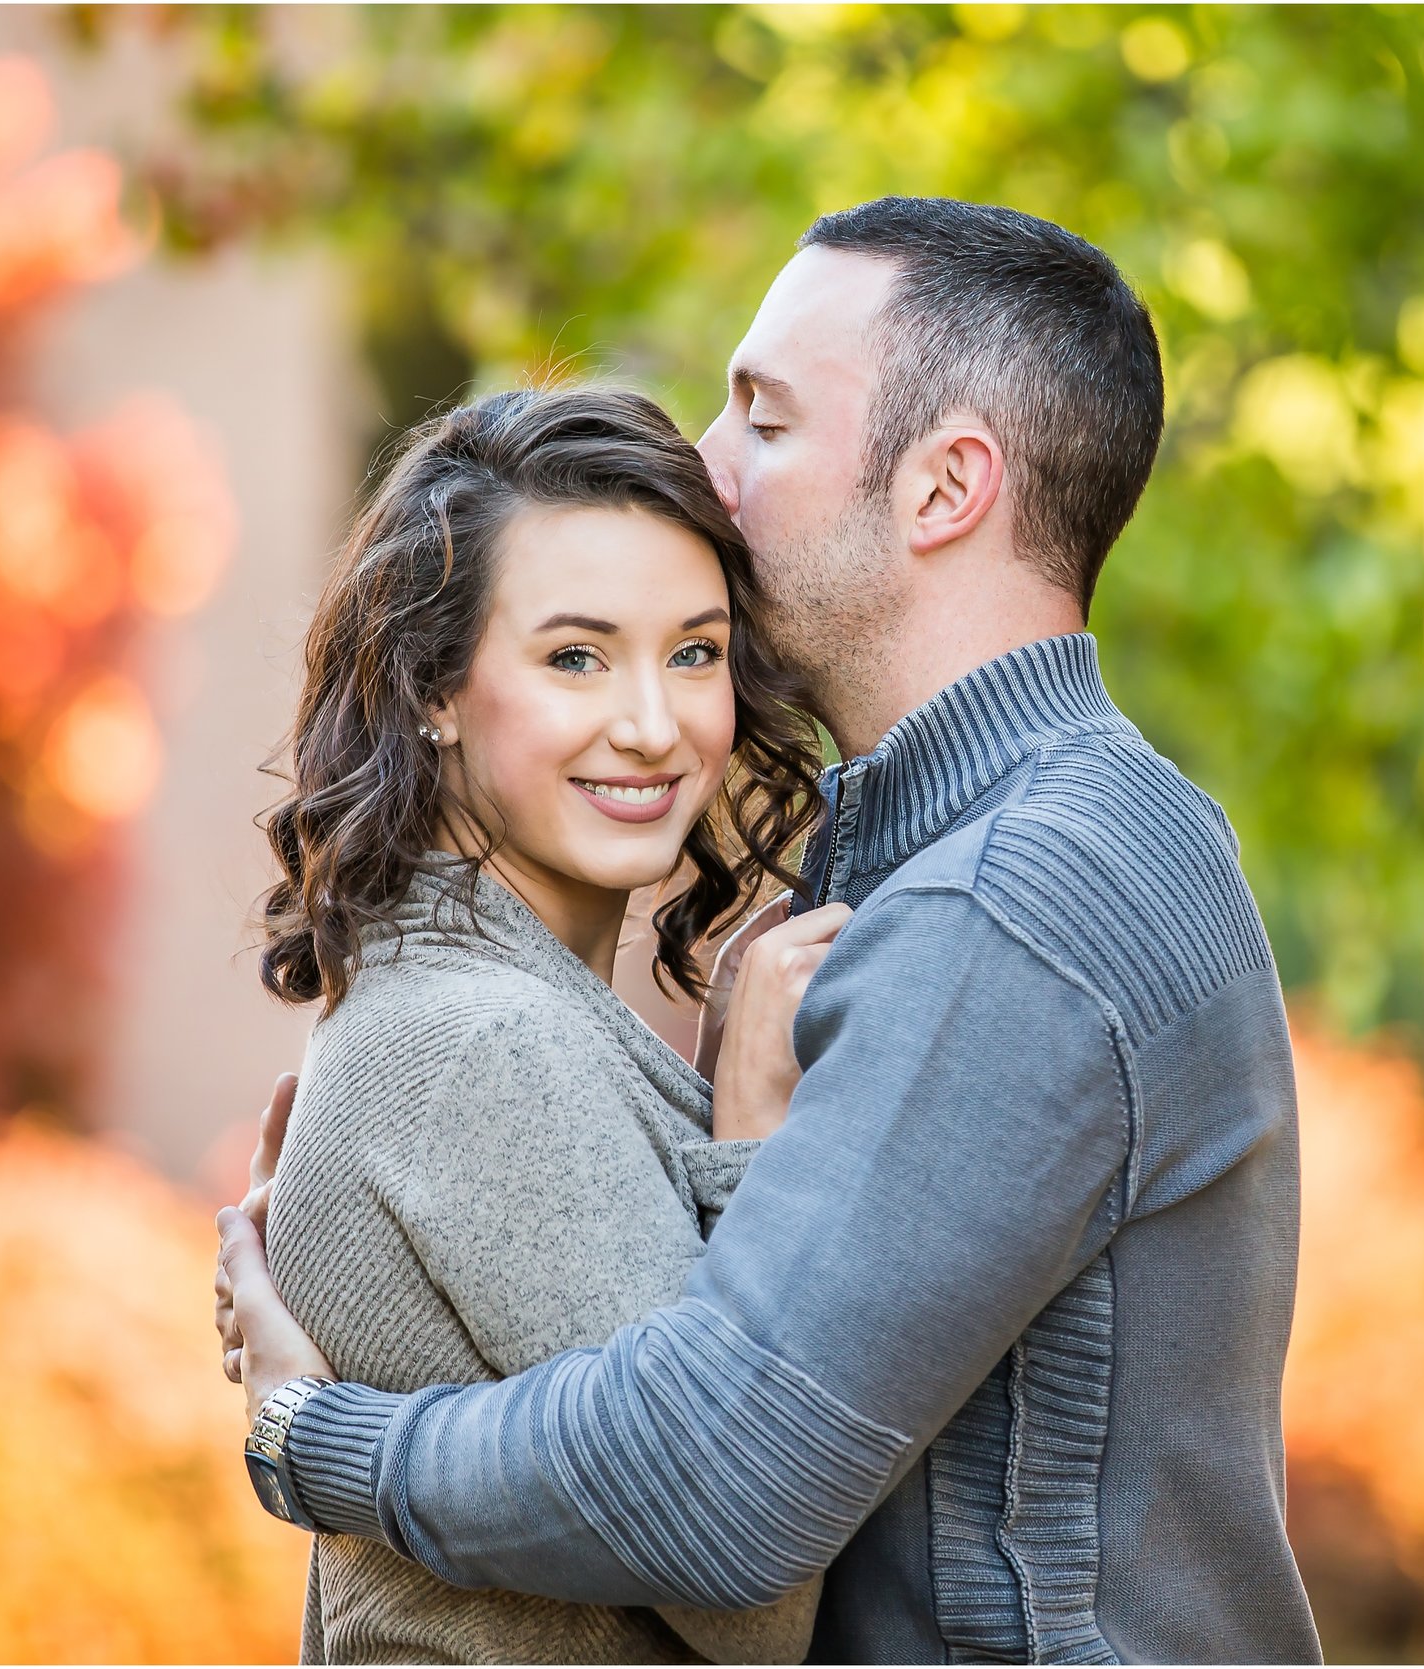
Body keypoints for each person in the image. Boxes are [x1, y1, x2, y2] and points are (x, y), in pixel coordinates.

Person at [218, 197, 1324, 1664]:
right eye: (572, 654)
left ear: (944, 490)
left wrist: (318, 1440)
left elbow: (719, 1484)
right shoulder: (1089, 832)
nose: (708, 469)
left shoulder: (1005, 898)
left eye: (764, 419)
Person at [249, 383, 847, 1662]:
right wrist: (750, 1144)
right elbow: (749, 1587)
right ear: (432, 688)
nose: (651, 724)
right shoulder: (479, 1044)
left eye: (695, 651)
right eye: (575, 655)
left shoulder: (473, 1001)